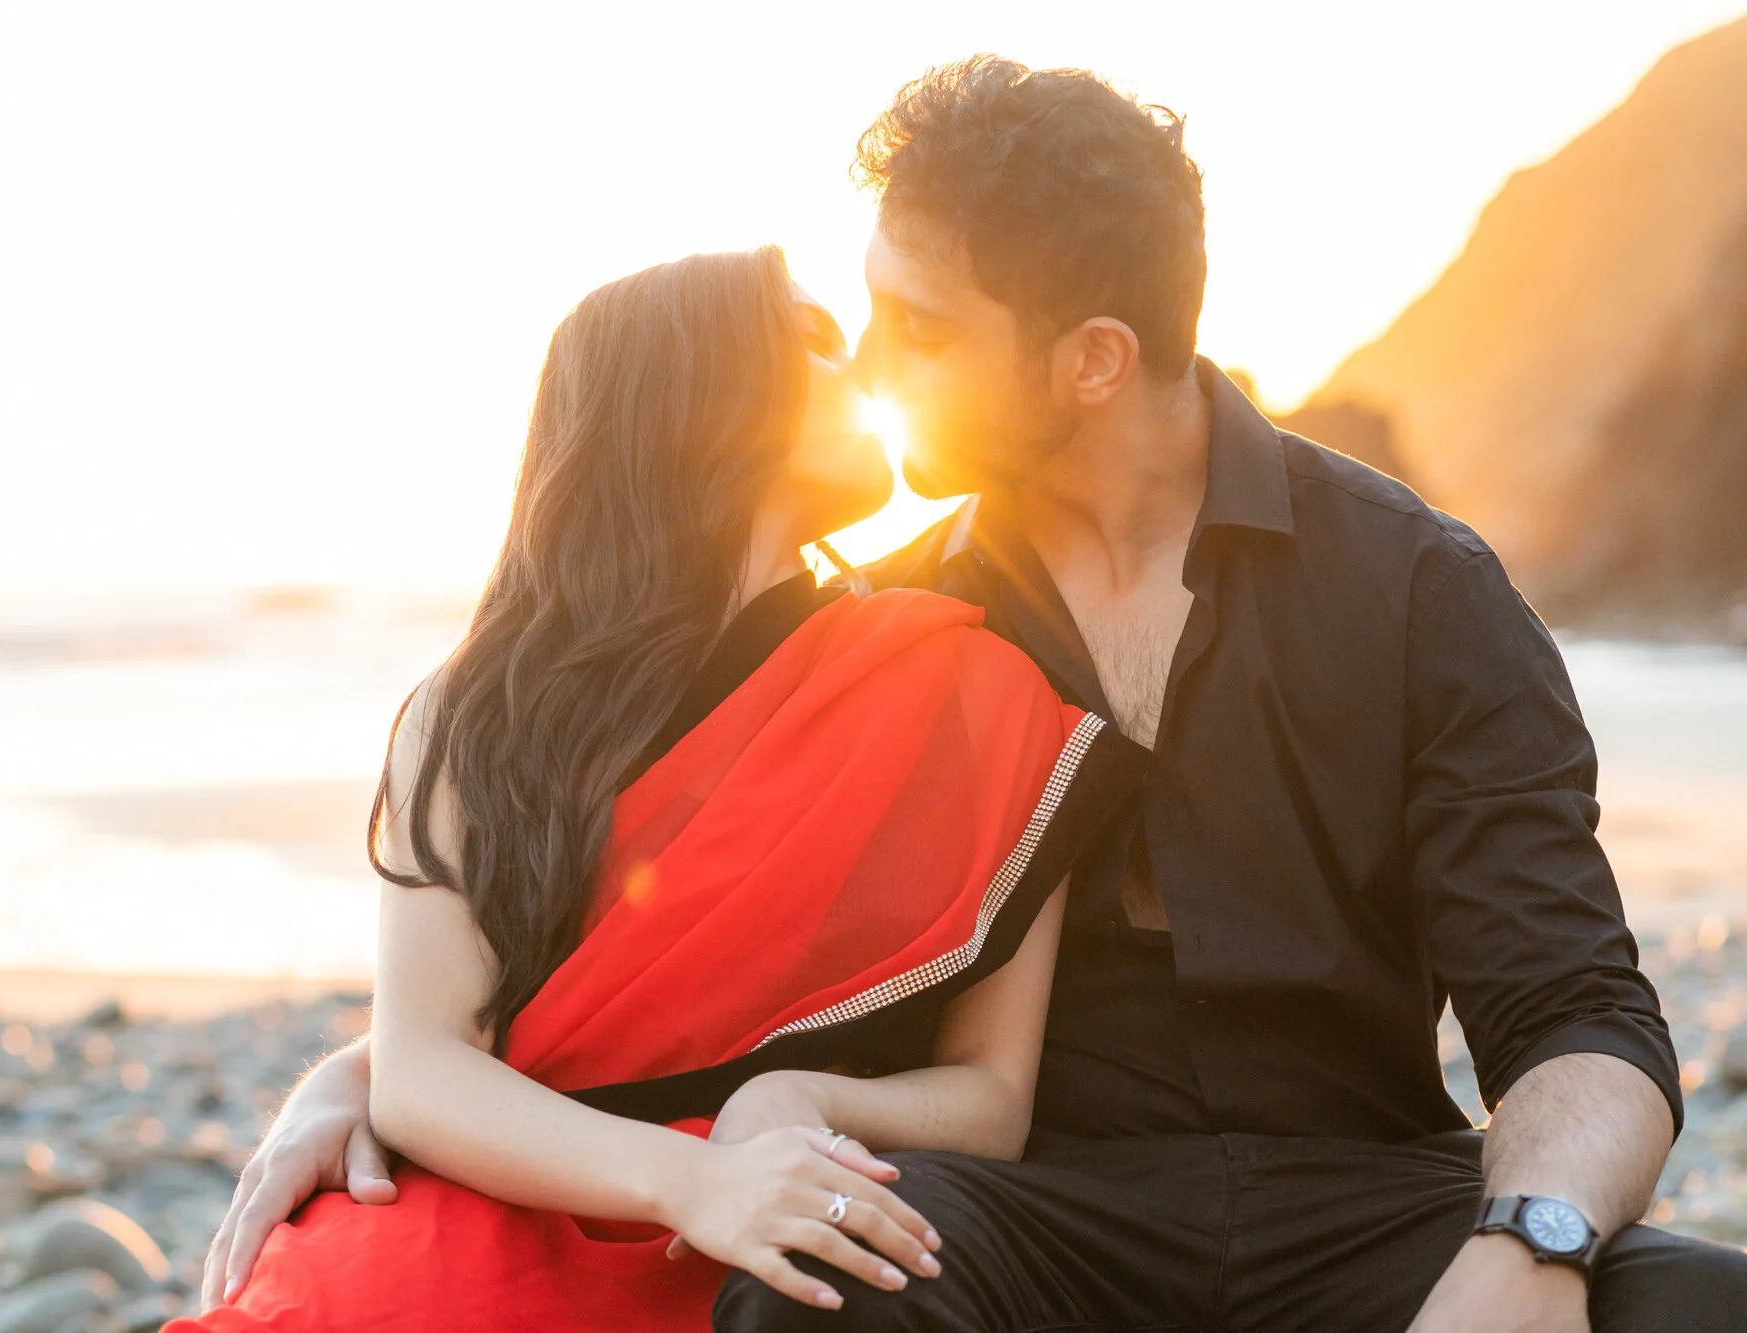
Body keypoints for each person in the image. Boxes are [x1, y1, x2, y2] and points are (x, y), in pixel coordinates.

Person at [210, 60, 1747, 1331]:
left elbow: (1580, 1013)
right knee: (823, 1281)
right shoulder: (889, 630)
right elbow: (665, 942)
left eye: (918, 330)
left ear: (1091, 361)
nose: (869, 366)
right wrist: (362, 1072)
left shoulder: (1420, 589)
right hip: (1019, 1226)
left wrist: (1531, 1245)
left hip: (1366, 1206)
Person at [169, 245, 1144, 1332]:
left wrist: (803, 1105)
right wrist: (684, 1183)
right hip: (519, 1183)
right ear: (702, 399)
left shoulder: (969, 693)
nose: (862, 364)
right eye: (813, 340)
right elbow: (429, 1065)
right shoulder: (478, 708)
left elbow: (990, 1098)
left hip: (777, 1202)